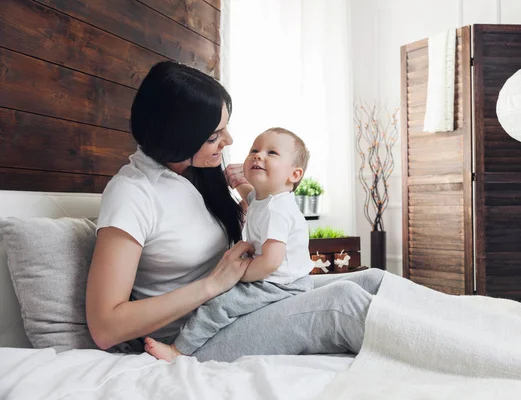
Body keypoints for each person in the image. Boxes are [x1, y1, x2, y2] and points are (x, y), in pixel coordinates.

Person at [86, 60, 385, 362]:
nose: (228, 141)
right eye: (214, 135)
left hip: (243, 300)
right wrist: (213, 284)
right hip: (200, 332)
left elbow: (248, 223)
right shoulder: (132, 193)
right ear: (178, 138)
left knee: (373, 280)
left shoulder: (197, 171)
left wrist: (252, 194)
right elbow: (105, 327)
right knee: (344, 303)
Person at [144, 127, 315, 361]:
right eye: (254, 150)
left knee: (219, 305)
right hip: (286, 279)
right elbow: (250, 197)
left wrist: (236, 276)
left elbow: (271, 261)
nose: (258, 155)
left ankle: (178, 350)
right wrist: (238, 181)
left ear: (294, 175)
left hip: (279, 284)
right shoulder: (267, 198)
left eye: (272, 153)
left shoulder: (278, 210)